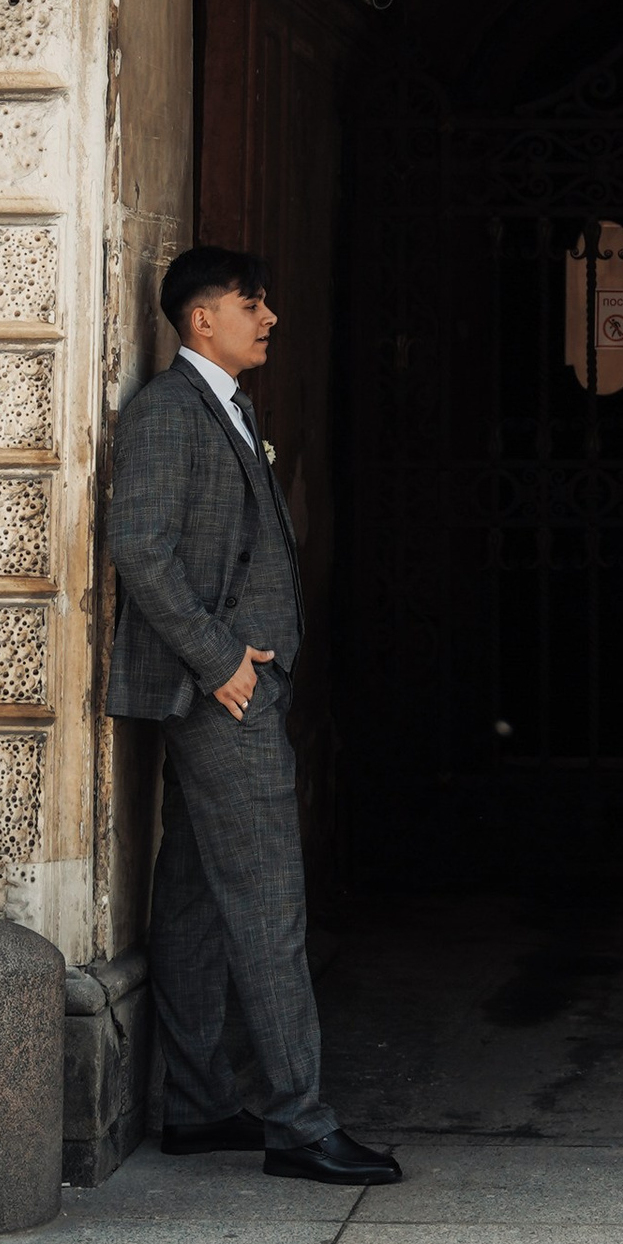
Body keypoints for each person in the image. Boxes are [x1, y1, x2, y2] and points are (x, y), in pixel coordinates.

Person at [106, 242, 400, 1185]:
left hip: (234, 689)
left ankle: (197, 1108)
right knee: (271, 903)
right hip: (218, 695)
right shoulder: (166, 412)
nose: (268, 318)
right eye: (250, 303)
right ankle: (300, 1124)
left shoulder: (227, 405)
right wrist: (221, 659)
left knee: (194, 901)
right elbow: (140, 549)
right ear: (201, 319)